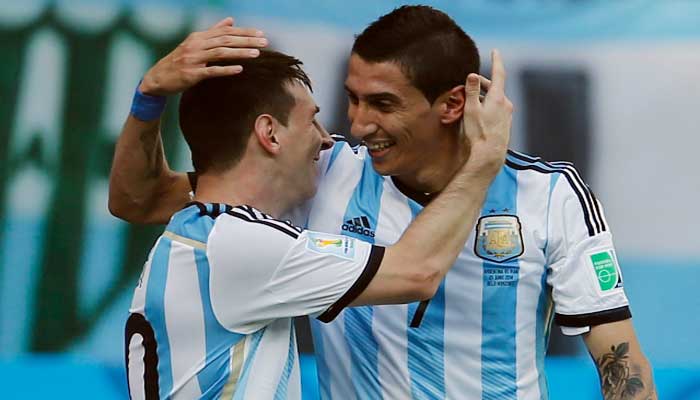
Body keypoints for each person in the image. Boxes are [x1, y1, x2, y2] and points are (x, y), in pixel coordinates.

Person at [110, 7, 657, 400]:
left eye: (382, 104)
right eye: (352, 99)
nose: (357, 124)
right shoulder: (319, 175)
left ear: (453, 104)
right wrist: (148, 95)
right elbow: (142, 199)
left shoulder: (552, 196)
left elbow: (621, 359)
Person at [117, 19, 512, 400]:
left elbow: (139, 199)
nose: (329, 139)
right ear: (270, 134)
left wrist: (149, 97)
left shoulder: (204, 230)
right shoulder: (240, 243)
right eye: (312, 121)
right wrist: (485, 157)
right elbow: (417, 272)